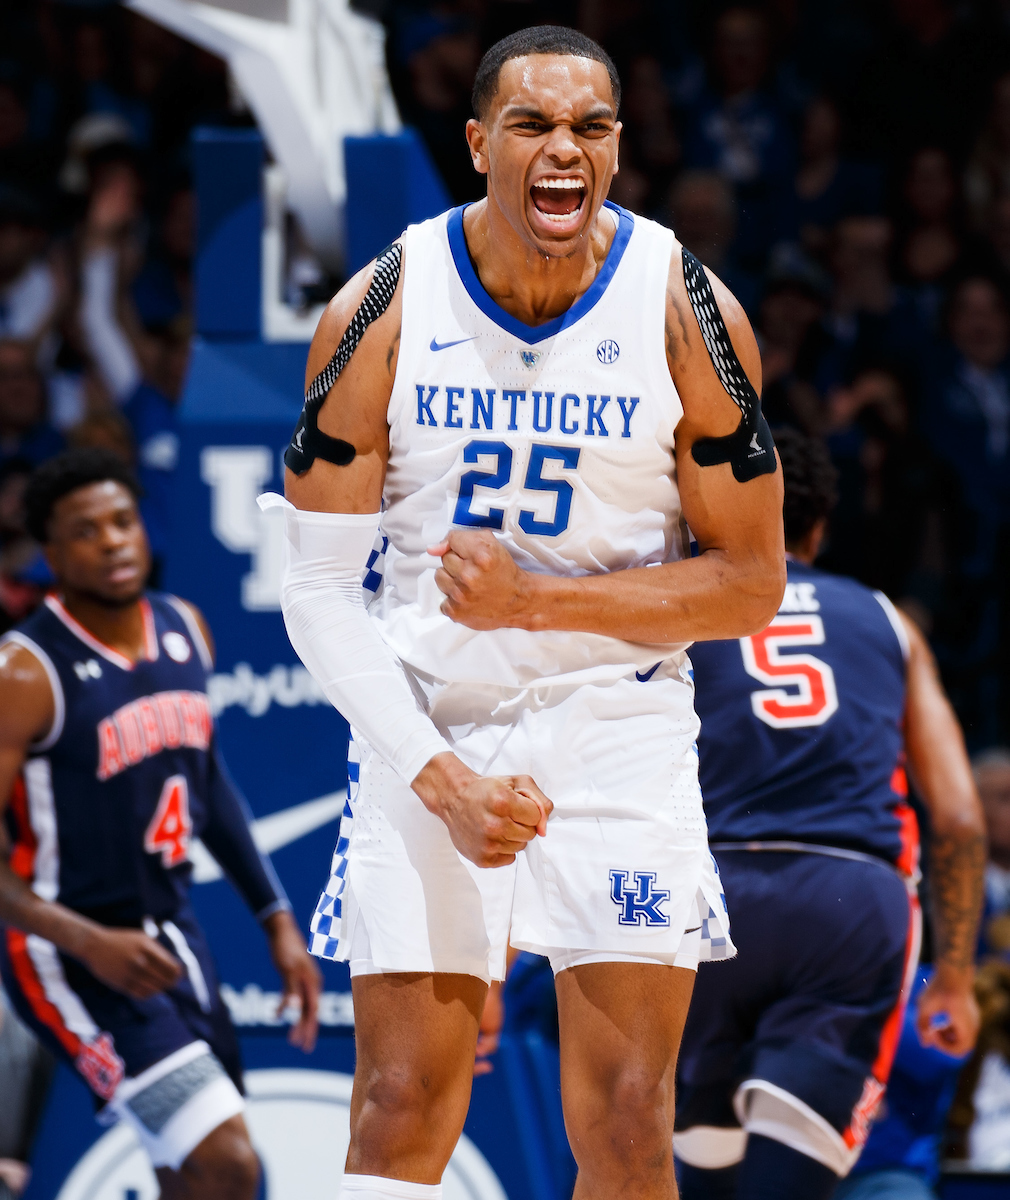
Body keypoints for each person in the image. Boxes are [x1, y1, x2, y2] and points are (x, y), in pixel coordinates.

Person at [270, 22, 785, 1200]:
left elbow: (749, 583)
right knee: (399, 1110)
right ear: (476, 143)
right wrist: (435, 777)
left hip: (618, 719)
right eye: (533, 125)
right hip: (428, 720)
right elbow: (314, 590)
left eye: (590, 128)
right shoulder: (381, 304)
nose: (565, 151)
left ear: (616, 147)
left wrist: (538, 604)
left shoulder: (685, 308)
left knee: (623, 1119)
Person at [0, 448, 321, 1200]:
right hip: (68, 953)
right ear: (51, 554)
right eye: (86, 531)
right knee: (228, 1165)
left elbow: (204, 779)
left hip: (169, 937)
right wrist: (85, 941)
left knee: (192, 1177)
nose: (113, 541)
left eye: (122, 521)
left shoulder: (185, 627)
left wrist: (275, 918)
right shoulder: (24, 672)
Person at [674, 429, 986, 1200]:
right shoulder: (888, 620)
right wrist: (951, 977)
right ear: (819, 528)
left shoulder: (676, 607)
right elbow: (959, 819)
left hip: (708, 894)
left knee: (707, 1178)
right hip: (847, 903)